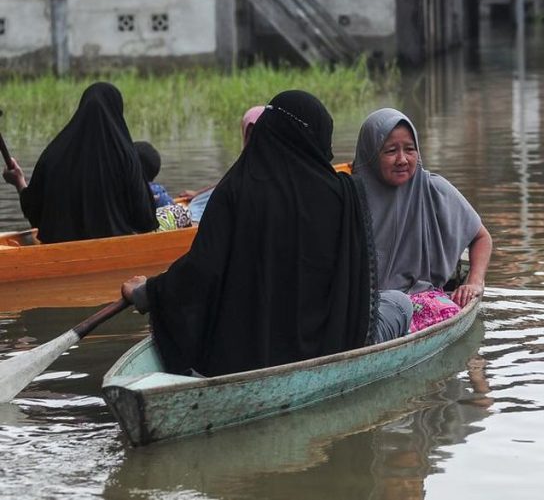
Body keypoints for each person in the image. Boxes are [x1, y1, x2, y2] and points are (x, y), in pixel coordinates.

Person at [120, 90, 388, 377]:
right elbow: (358, 278)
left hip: (244, 357)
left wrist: (149, 292)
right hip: (331, 345)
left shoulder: (237, 188)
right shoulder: (343, 194)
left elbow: (202, 270)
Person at [352, 108, 492, 338]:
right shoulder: (350, 197)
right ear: (371, 155)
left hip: (422, 299)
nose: (402, 160)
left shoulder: (434, 189)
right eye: (390, 151)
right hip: (368, 306)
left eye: (409, 149)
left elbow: (482, 238)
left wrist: (474, 282)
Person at [1, 82, 157, 243]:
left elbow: (36, 214)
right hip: (113, 251)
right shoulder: (126, 157)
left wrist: (19, 182)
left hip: (58, 250)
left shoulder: (52, 155)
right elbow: (145, 221)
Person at [183, 105, 265, 223]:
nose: (253, 138)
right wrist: (198, 193)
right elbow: (228, 181)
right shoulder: (246, 161)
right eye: (250, 133)